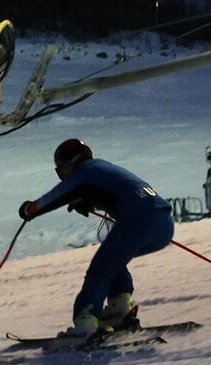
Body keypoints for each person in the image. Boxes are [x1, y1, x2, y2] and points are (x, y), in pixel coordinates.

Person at [18, 138, 174, 339]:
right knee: (112, 263)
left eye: (61, 170)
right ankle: (119, 308)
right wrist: (89, 201)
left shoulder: (83, 172)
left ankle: (86, 322)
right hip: (163, 223)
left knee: (99, 271)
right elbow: (118, 191)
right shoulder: (102, 167)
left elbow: (54, 197)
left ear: (66, 164)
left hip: (138, 219)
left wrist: (29, 209)